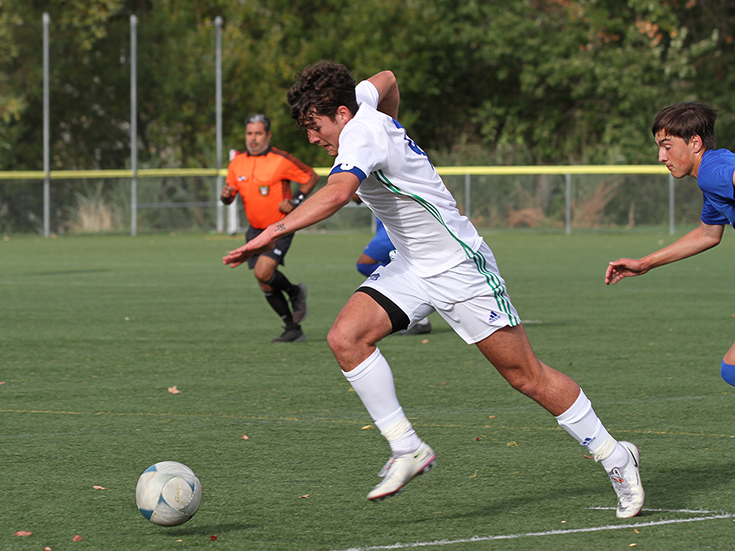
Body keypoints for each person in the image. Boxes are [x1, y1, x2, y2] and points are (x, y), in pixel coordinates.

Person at [223, 61, 643, 518]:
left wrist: (270, 233)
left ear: (341, 113)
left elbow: (339, 193)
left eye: (315, 126)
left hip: (460, 267)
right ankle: (407, 448)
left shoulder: (362, 133)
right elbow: (387, 78)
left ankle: (615, 456)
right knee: (346, 337)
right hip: (412, 266)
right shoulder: (362, 106)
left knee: (526, 376)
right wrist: (395, 130)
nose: (312, 138)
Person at [606, 101, 735, 387]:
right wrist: (645, 263)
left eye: (667, 146)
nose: (661, 156)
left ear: (695, 143)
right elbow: (707, 234)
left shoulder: (713, 172)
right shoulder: (714, 171)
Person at [221, 114, 320, 343]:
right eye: (249, 133)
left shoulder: (280, 159)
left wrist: (296, 200)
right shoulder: (237, 163)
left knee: (263, 272)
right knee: (264, 281)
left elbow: (311, 176)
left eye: (258, 133)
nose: (253, 138)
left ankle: (295, 293)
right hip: (254, 230)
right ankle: (292, 328)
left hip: (279, 226)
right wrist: (225, 196)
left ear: (268, 135)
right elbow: (228, 196)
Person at [355, 213, 432, 336]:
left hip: (391, 230)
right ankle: (420, 318)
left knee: (364, 264)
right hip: (387, 228)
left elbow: (341, 196)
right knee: (391, 264)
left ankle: (420, 293)